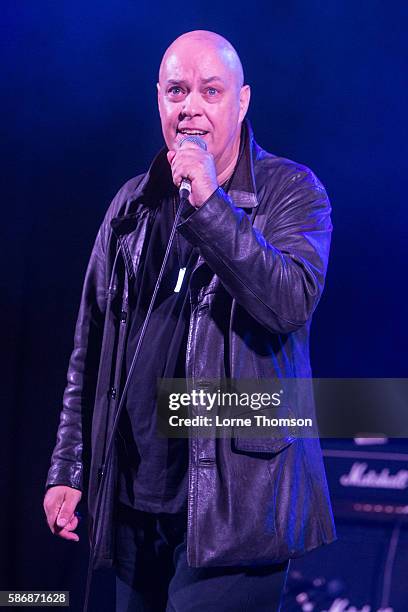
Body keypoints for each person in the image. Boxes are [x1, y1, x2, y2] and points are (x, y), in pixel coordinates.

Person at [43, 30, 336, 612]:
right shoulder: (132, 205)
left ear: (242, 101)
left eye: (210, 91)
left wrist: (210, 206)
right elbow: (90, 347)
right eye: (177, 91)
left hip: (236, 516)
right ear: (159, 100)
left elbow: (288, 301)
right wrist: (68, 466)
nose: (191, 107)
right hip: (134, 504)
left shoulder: (292, 192)